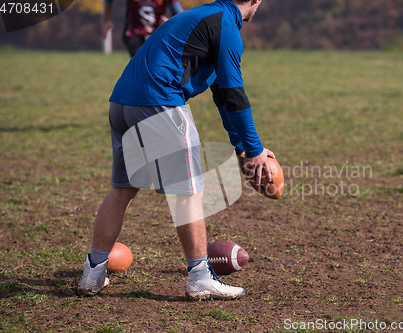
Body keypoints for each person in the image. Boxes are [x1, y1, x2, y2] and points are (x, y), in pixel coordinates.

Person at [77, 0, 274, 300]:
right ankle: (199, 277)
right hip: (160, 103)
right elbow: (235, 94)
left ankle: (92, 275)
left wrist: (243, 149)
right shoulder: (226, 26)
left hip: (121, 103)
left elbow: (222, 95)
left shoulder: (203, 16)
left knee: (123, 190)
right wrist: (257, 150)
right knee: (189, 192)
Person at [102, 0, 184, 57]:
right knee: (142, 63)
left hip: (155, 34)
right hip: (133, 32)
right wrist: (106, 20)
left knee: (157, 63)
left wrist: (173, 23)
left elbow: (180, 14)